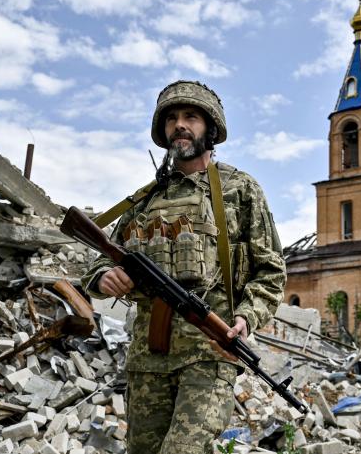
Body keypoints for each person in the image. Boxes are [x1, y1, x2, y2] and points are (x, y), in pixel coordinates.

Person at [82, 80, 286, 454]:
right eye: (172, 118)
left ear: (210, 128)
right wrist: (103, 277)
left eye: (190, 116)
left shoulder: (240, 190)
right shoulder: (146, 200)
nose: (180, 125)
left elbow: (271, 270)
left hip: (210, 353)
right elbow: (99, 257)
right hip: (148, 360)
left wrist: (246, 317)